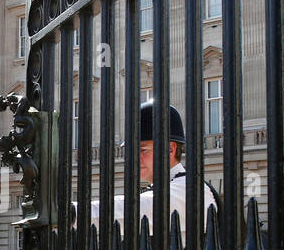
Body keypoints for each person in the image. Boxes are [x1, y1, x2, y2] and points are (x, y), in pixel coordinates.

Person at [93, 101, 219, 239]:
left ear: (170, 149)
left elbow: (136, 209)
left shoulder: (191, 189)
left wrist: (73, 212)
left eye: (142, 149)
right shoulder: (160, 188)